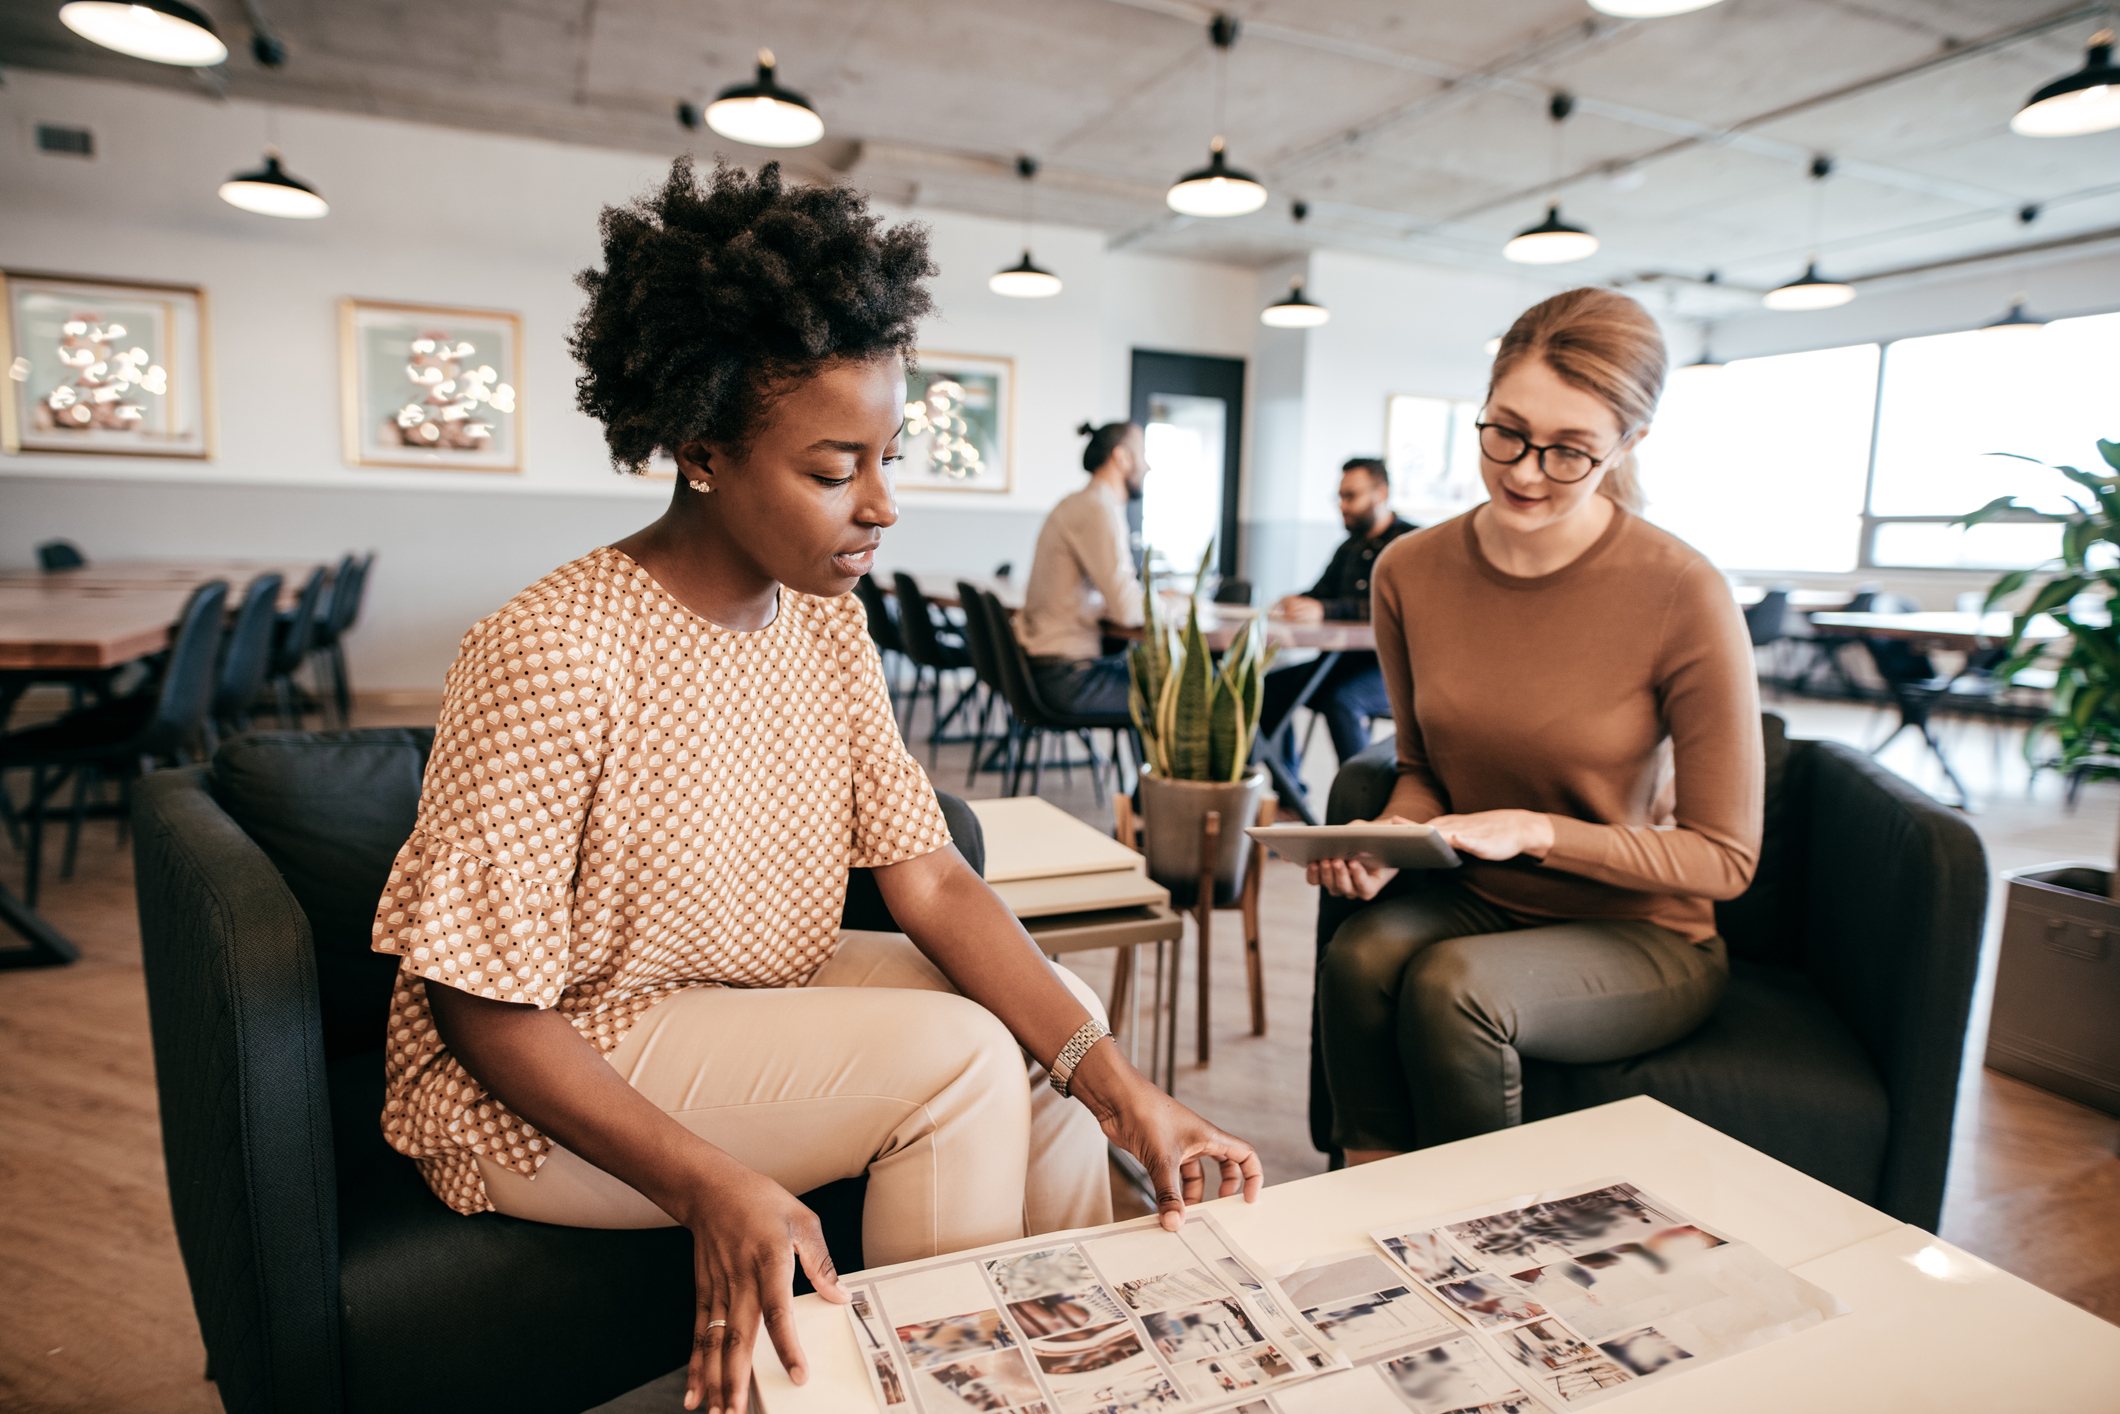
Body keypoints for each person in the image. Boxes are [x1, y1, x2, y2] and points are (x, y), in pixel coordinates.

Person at [369, 159, 1261, 1414]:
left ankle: (1073, 1368)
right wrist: (705, 1183)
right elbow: (479, 1008)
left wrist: (1128, 1096)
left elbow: (931, 874)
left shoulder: (820, 620)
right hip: (560, 1061)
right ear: (699, 451)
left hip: (747, 994)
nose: (884, 505)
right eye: (835, 468)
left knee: (1045, 1007)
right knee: (954, 1054)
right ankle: (935, 1392)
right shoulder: (552, 647)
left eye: (887, 456)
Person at [1312, 287, 1763, 1165]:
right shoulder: (1409, 570)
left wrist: (1537, 830)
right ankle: (1362, 1198)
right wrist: (1387, 837)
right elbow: (1421, 768)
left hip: (1645, 933)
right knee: (1359, 958)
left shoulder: (1682, 590)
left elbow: (1725, 858)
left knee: (1454, 987)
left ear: (1628, 445)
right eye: (1506, 431)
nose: (1523, 471)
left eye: (1569, 452)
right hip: (1482, 903)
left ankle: (1478, 1249)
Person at [1259, 457, 1417, 782]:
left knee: (1342, 699)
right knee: (1271, 686)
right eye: (1340, 496)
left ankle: (1361, 803)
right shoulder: (1348, 548)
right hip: (1341, 662)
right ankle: (1291, 790)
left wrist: (1326, 610)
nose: (1342, 506)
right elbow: (1322, 592)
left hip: (1393, 669)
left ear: (1381, 492)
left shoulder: (1410, 546)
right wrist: (1297, 601)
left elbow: (1392, 606)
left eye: (1351, 496)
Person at [1015, 420, 1149, 715]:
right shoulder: (1097, 508)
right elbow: (1127, 611)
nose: (1148, 465)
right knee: (1180, 694)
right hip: (1066, 676)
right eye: (1142, 453)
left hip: (1040, 667)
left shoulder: (1077, 502)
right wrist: (1179, 608)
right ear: (1122, 456)